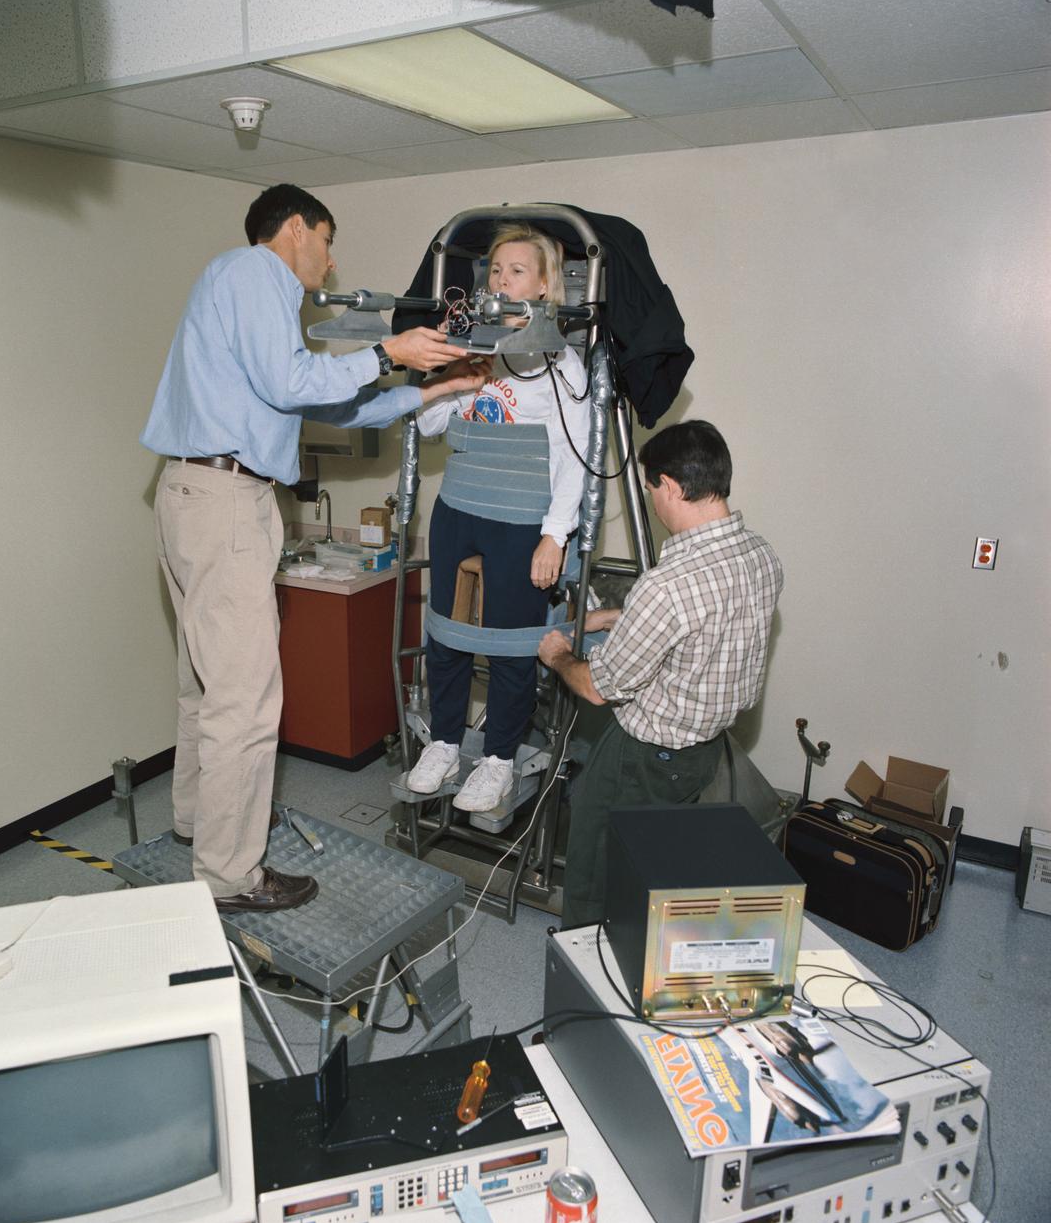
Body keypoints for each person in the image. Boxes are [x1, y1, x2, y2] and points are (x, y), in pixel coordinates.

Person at [141, 184, 483, 913]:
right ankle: (230, 874)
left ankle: (197, 822)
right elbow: (291, 381)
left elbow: (323, 402)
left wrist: (427, 390)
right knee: (247, 701)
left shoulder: (237, 290)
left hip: (192, 495)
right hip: (225, 501)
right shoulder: (252, 272)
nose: (328, 265)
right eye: (327, 242)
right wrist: (388, 348)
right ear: (295, 227)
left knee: (206, 687)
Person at [537, 420, 783, 929]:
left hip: (643, 758)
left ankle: (587, 964)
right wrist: (615, 617)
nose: (654, 504)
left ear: (669, 485)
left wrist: (558, 653)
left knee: (595, 866)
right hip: (705, 752)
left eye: (652, 491)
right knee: (655, 861)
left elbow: (597, 688)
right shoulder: (761, 557)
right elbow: (705, 629)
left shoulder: (667, 585)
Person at [406, 223, 591, 813]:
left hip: (521, 516)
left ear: (542, 286)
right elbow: (431, 429)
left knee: (513, 644)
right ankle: (442, 741)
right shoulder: (476, 347)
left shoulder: (562, 367)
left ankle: (499, 760)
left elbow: (574, 463)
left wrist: (554, 538)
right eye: (495, 270)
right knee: (447, 633)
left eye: (516, 271)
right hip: (460, 505)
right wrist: (455, 379)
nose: (501, 280)